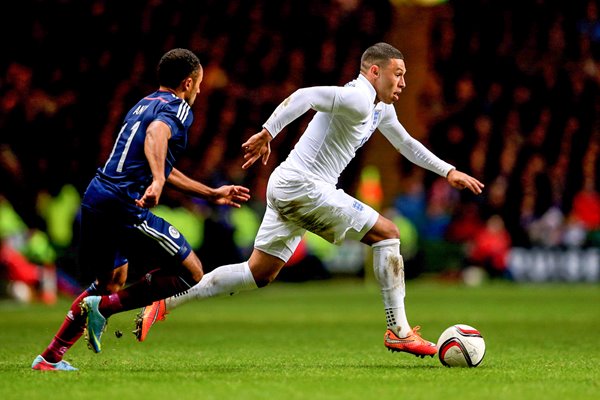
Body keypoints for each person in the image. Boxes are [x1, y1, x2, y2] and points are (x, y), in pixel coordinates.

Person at [137, 42, 484, 357]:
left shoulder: (379, 108)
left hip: (291, 185)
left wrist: (448, 171)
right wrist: (267, 132)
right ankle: (399, 331)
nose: (403, 83)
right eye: (398, 74)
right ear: (374, 71)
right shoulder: (358, 98)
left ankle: (164, 303)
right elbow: (304, 96)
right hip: (304, 186)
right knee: (388, 234)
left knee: (257, 273)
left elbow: (406, 144)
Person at [31, 48, 251, 371]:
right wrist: (158, 181)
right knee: (192, 272)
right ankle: (103, 309)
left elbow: (158, 158)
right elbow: (156, 136)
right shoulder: (178, 109)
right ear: (188, 83)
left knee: (111, 281)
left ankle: (49, 358)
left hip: (97, 195)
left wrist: (210, 193)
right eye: (199, 84)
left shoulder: (143, 104)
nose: (200, 91)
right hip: (124, 203)